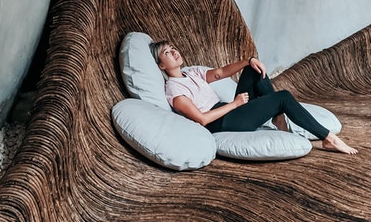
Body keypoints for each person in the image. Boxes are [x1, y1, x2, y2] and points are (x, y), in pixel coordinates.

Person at [149, 41, 358, 154]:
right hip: (220, 122)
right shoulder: (174, 90)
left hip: (228, 109)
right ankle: (328, 139)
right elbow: (202, 120)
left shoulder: (191, 73)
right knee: (283, 97)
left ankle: (278, 119)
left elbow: (222, 71)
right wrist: (235, 104)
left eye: (173, 48)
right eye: (167, 53)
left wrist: (249, 60)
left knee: (252, 71)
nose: (174, 52)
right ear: (161, 66)